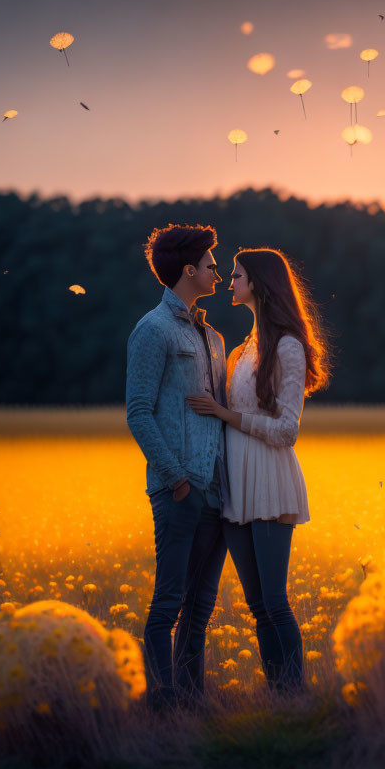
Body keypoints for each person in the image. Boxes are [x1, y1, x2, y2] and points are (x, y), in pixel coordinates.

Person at [187, 248, 330, 694]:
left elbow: (288, 430)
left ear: (261, 284)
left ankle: (295, 696)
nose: (230, 281)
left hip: (268, 479)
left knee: (274, 601)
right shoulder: (246, 346)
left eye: (238, 275)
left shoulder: (287, 345)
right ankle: (279, 697)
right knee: (257, 606)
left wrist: (225, 416)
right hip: (237, 484)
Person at [126, 224, 229, 713]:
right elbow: (139, 412)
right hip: (180, 489)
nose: (218, 269)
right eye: (211, 263)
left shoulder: (213, 337)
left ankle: (193, 701)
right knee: (168, 603)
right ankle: (161, 706)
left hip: (215, 491)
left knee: (201, 606)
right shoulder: (153, 330)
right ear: (189, 270)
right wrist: (179, 480)